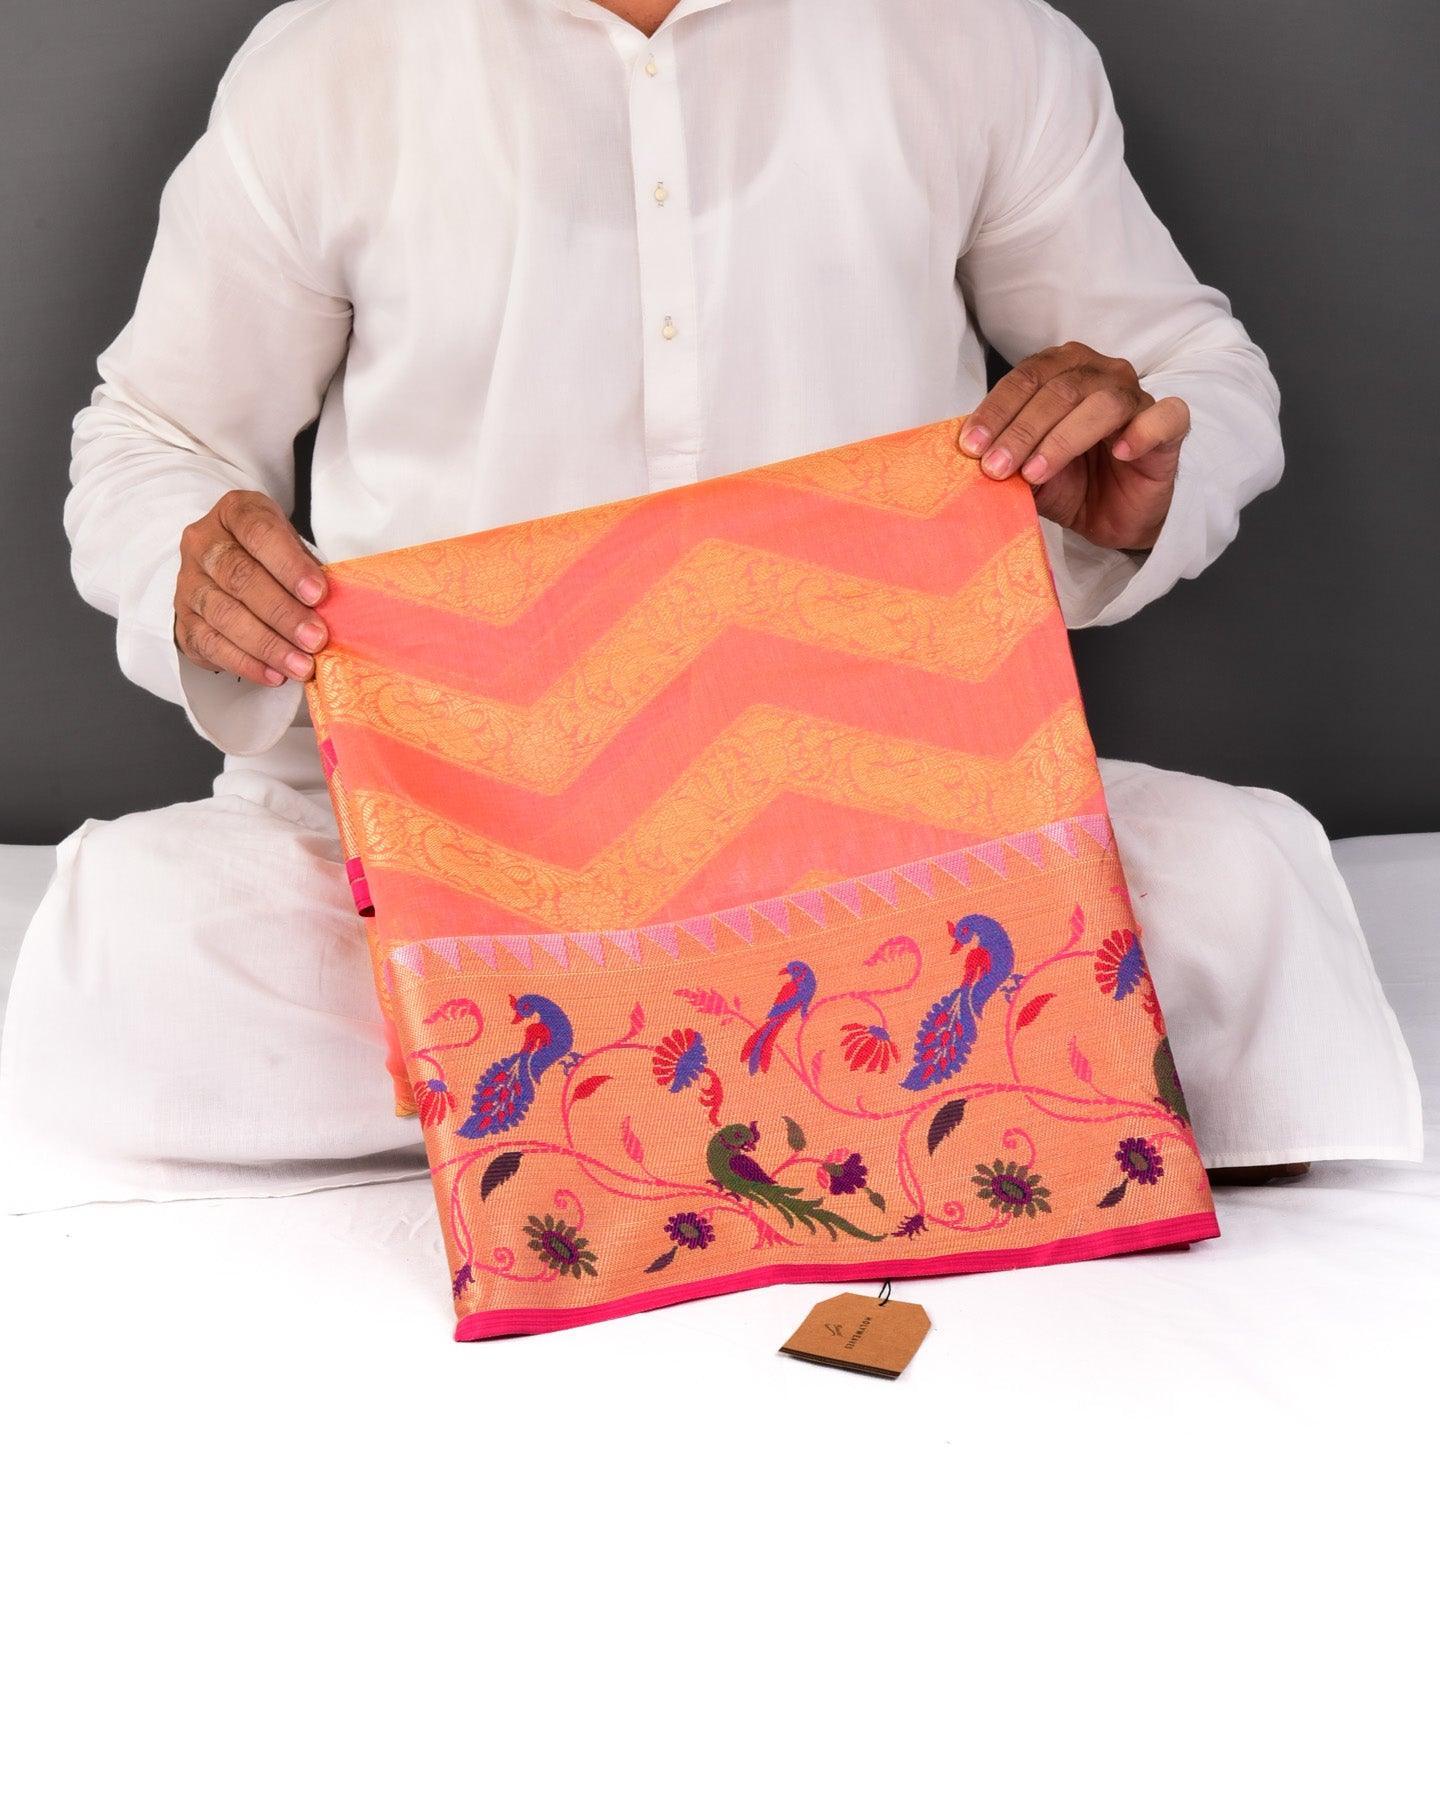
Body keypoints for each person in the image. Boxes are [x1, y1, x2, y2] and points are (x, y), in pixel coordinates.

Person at [0, 0, 1420, 1208]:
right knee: (130, 947)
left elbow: (1192, 368)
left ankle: (555, 1095)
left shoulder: (974, 35)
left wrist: (1143, 473)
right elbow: (151, 434)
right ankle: (896, 1086)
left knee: (1245, 884)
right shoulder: (332, 58)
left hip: (888, 828)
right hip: (454, 837)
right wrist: (194, 564)